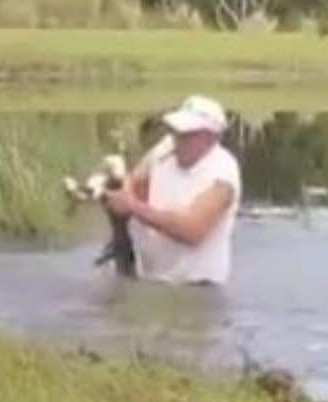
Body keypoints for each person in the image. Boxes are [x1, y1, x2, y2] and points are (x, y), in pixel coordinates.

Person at [103, 95, 241, 286]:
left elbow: (192, 230)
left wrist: (133, 207)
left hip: (198, 289)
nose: (178, 138)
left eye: (187, 133)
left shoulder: (223, 175)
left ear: (210, 137)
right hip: (152, 279)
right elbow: (135, 182)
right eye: (176, 131)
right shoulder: (166, 148)